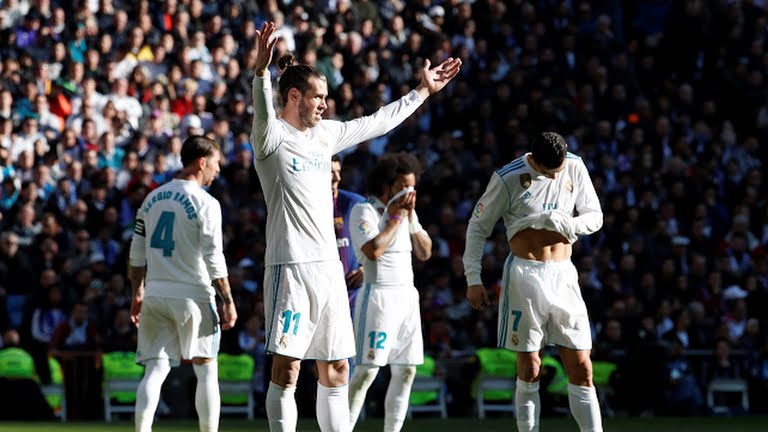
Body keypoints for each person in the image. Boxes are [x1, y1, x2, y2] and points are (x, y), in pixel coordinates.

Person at [250, 21, 460, 432]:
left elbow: (378, 121)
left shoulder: (326, 135)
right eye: (318, 97)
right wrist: (260, 71)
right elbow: (262, 108)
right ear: (294, 96)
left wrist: (421, 92)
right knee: (287, 370)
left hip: (329, 270)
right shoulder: (271, 137)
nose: (325, 104)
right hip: (290, 267)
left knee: (338, 370)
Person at [464, 131, 604, 432]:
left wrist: (571, 224)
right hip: (525, 276)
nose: (555, 176)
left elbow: (595, 216)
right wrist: (473, 278)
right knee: (530, 368)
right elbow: (477, 227)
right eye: (548, 171)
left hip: (563, 275)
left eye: (559, 168)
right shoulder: (508, 178)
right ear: (534, 161)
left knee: (582, 366)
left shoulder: (575, 165)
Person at [128, 135, 237, 432]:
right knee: (206, 370)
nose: (218, 170)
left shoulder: (152, 198)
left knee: (155, 368)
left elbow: (136, 252)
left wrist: (138, 292)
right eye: (215, 163)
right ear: (201, 163)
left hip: (155, 294)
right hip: (194, 296)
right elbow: (214, 256)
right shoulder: (206, 203)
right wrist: (228, 300)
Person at [347, 152, 432, 432]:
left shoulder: (408, 213)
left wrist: (411, 220)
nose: (410, 193)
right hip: (378, 296)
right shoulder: (365, 211)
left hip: (407, 297)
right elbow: (373, 251)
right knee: (367, 371)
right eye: (404, 186)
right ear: (386, 185)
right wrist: (395, 218)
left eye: (413, 187)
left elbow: (425, 252)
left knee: (407, 370)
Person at [332, 155, 366, 312]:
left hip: (353, 296)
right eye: (330, 172)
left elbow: (381, 240)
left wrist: (366, 267)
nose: (337, 178)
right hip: (323, 293)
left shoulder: (355, 203)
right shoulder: (306, 205)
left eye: (338, 171)